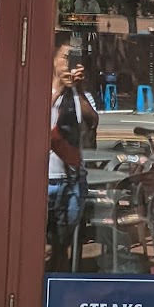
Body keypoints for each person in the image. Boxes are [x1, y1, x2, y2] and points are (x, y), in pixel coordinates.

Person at [48, 40, 98, 271]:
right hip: (46, 177)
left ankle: (59, 276)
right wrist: (60, 87)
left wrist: (77, 90)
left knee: (62, 241)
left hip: (73, 179)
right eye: (66, 58)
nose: (70, 64)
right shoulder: (43, 91)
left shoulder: (81, 94)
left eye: (75, 59)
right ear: (53, 61)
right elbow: (34, 121)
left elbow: (92, 122)